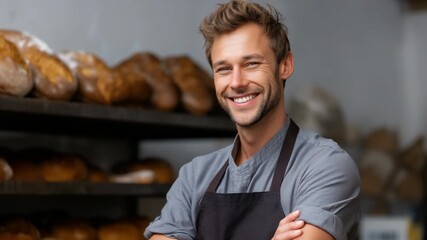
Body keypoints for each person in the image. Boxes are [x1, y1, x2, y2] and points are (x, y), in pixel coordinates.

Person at [145, 0, 360, 239]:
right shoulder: (195, 176)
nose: (236, 82)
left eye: (251, 64)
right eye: (224, 69)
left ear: (285, 65)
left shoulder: (324, 166)